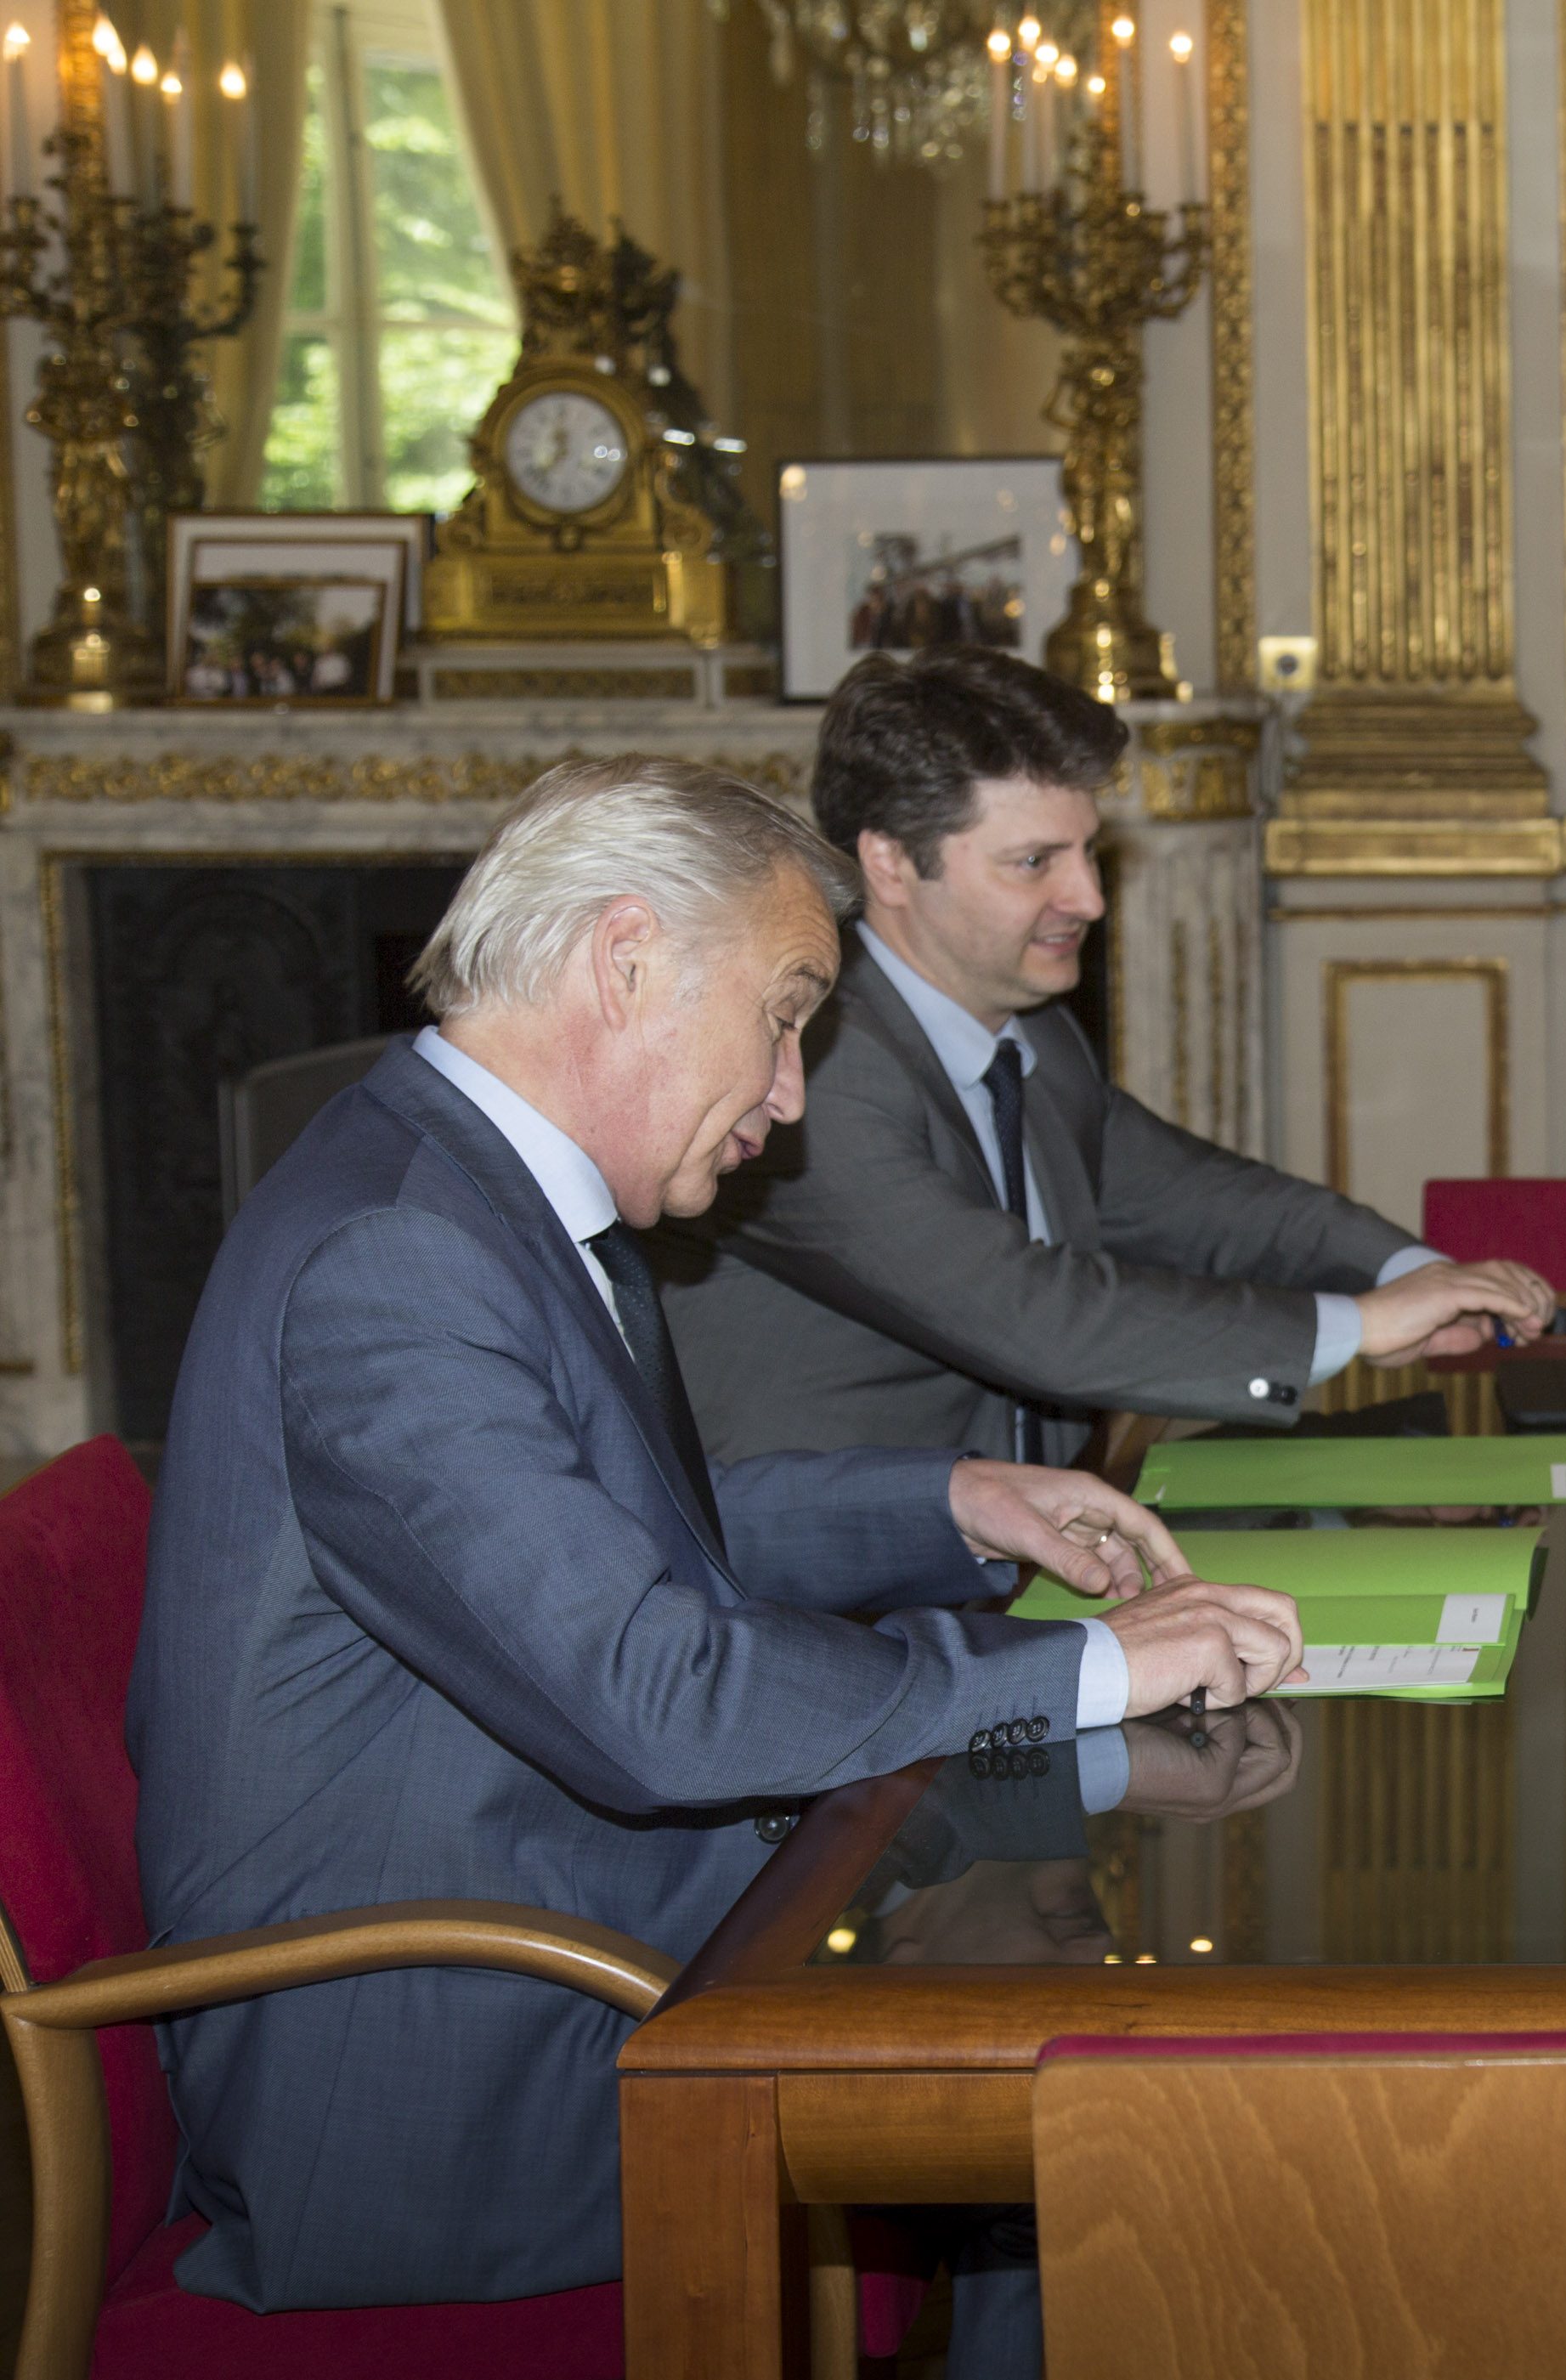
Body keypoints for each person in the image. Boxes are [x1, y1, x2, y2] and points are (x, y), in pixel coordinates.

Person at [129, 757, 1308, 2321]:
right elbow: (653, 1692)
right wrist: (1083, 1667)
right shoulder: (398, 1252)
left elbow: (598, 1529)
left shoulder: (459, 1185)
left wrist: (952, 1500)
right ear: (624, 961)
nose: (790, 1092)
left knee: (1064, 2015)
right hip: (452, 2061)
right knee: (1105, 2106)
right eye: (783, 1017)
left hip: (561, 1922)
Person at [658, 646, 1555, 1467]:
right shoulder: (815, 1057)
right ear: (889, 865)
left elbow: (1206, 1201)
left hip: (1033, 1545)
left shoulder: (1031, 1025)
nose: (1086, 896)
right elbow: (1033, 1314)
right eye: (1034, 861)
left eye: (1088, 852)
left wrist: (1412, 1273)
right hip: (833, 1597)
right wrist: (1358, 1324)